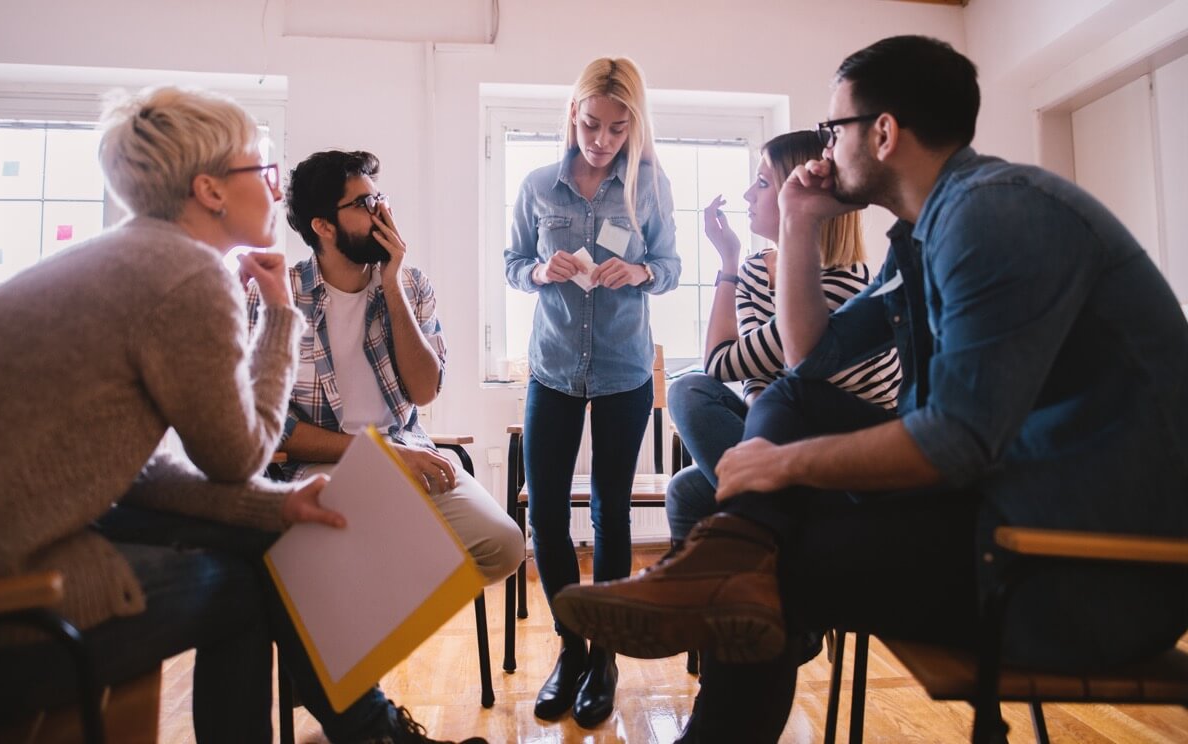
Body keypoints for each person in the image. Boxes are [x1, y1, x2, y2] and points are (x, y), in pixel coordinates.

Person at [554, 35, 1188, 742]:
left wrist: (783, 462)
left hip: (1081, 572)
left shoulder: (991, 218)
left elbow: (954, 441)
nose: (824, 148)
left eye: (834, 129)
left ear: (882, 132)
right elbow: (811, 359)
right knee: (735, 467)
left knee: (764, 580)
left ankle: (721, 572)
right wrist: (797, 223)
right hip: (1003, 516)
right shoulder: (928, 232)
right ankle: (726, 557)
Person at [0, 86, 482, 744]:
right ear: (211, 190)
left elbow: (138, 471)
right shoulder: (187, 276)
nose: (275, 191)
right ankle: (376, 735)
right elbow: (238, 457)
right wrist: (280, 319)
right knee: (243, 590)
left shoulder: (130, 256)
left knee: (264, 547)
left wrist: (275, 508)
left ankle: (375, 734)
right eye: (262, 171)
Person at [250, 148, 522, 586]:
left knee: (503, 545)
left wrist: (392, 284)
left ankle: (375, 615)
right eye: (362, 204)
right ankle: (365, 627)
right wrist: (381, 456)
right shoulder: (275, 295)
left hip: (407, 448)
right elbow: (269, 425)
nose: (380, 212)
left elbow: (425, 392)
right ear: (323, 226)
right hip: (321, 466)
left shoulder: (411, 285)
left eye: (379, 199)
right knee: (341, 552)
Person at [503, 56, 680, 727]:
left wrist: (636, 270)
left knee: (610, 512)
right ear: (572, 116)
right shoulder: (537, 187)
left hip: (622, 373)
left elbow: (669, 268)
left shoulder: (650, 187)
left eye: (614, 127)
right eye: (589, 124)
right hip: (551, 369)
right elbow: (512, 264)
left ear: (633, 124)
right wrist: (536, 271)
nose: (600, 140)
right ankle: (571, 650)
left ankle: (604, 657)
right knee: (545, 514)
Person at [665, 129, 900, 547]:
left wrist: (762, 416)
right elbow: (744, 370)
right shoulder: (758, 268)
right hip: (785, 426)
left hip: (845, 455)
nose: (746, 196)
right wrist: (731, 261)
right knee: (685, 475)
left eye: (761, 183)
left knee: (695, 395)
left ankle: (765, 528)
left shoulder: (841, 285)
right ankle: (716, 594)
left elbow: (725, 362)